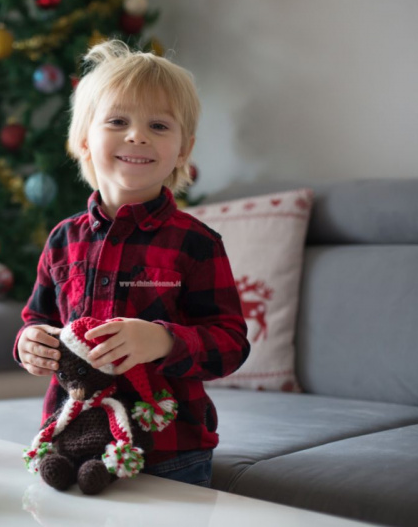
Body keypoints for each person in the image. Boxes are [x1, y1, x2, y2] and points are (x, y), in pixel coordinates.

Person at [14, 40, 250, 488]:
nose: (137, 136)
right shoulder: (63, 238)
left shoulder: (197, 243)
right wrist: (29, 343)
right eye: (118, 121)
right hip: (69, 440)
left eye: (159, 126)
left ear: (184, 149)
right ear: (83, 139)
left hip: (168, 451)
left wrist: (162, 342)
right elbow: (38, 320)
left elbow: (231, 343)